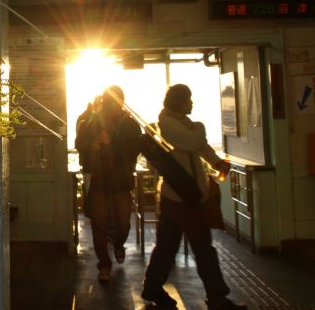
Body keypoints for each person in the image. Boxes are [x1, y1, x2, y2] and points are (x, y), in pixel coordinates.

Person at [142, 84, 246, 310]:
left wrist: (216, 162)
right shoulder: (170, 125)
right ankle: (215, 296)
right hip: (179, 197)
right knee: (187, 248)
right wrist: (200, 127)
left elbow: (201, 147)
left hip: (186, 197)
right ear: (179, 102)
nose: (192, 103)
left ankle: (155, 288)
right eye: (189, 99)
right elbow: (194, 142)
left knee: (181, 248)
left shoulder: (183, 125)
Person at [75, 85, 142, 282]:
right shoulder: (95, 120)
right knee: (99, 224)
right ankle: (104, 264)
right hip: (100, 178)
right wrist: (92, 144)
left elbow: (134, 149)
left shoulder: (129, 123)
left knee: (122, 223)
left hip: (121, 180)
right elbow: (80, 143)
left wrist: (110, 144)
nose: (114, 105)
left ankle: (118, 243)